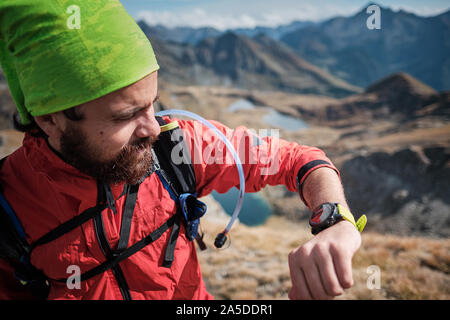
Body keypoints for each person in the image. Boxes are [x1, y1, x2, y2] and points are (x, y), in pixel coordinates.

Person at [0, 0, 362, 300]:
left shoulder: (175, 149)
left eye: (151, 105)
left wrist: (334, 221)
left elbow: (298, 160)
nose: (153, 128)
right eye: (127, 116)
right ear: (49, 121)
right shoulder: (9, 211)